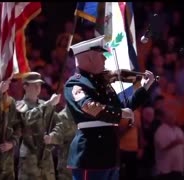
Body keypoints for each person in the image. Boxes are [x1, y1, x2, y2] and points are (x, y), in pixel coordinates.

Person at [63, 35, 156, 180]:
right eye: (101, 55)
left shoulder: (102, 83)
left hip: (110, 154)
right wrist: (120, 113)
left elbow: (123, 108)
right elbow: (89, 107)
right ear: (89, 58)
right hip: (90, 154)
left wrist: (144, 89)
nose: (105, 59)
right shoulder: (76, 83)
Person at [16, 71, 61, 180]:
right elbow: (28, 118)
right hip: (29, 157)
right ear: (25, 86)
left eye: (39, 85)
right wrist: (49, 104)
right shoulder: (20, 105)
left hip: (46, 156)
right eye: (34, 84)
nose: (38, 87)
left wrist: (53, 137)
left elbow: (59, 124)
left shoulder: (44, 104)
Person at [44, 106, 77, 180]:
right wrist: (50, 138)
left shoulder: (84, 114)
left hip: (83, 162)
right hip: (67, 163)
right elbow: (58, 132)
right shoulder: (62, 116)